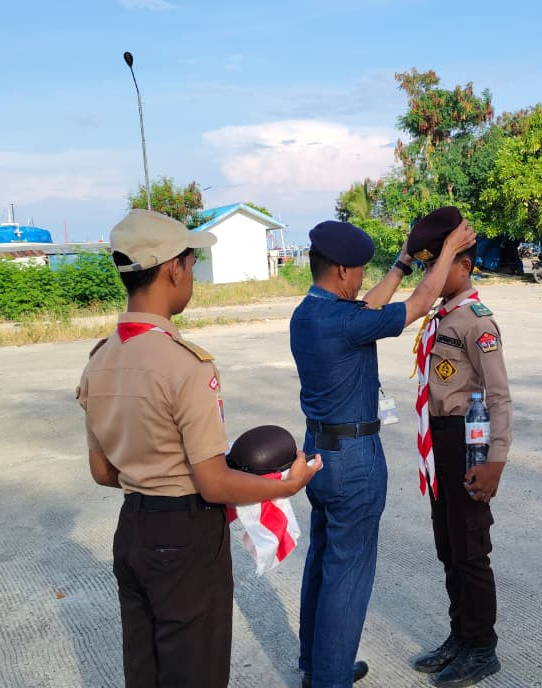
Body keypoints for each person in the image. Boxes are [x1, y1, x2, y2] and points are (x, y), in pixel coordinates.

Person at [77, 209, 322, 688]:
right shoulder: (184, 365)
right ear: (172, 268)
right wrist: (285, 486)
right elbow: (212, 483)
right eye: (191, 264)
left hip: (132, 532)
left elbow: (103, 473)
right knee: (195, 674)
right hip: (185, 538)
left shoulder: (100, 360)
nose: (191, 275)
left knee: (145, 671)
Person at [291, 217, 476, 688]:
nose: (360, 282)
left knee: (324, 558)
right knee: (347, 574)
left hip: (319, 453)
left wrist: (403, 261)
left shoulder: (311, 313)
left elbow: (370, 304)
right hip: (353, 458)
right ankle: (331, 678)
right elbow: (415, 304)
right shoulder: (346, 321)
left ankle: (318, 663)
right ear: (340, 273)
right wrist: (451, 246)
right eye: (356, 272)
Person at [405, 207, 512, 688]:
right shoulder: (440, 314)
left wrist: (495, 461)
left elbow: (499, 396)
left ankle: (481, 646)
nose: (432, 275)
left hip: (468, 441)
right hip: (439, 444)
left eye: (439, 265)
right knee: (448, 545)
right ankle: (460, 635)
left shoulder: (477, 322)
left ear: (464, 266)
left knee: (471, 549)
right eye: (427, 266)